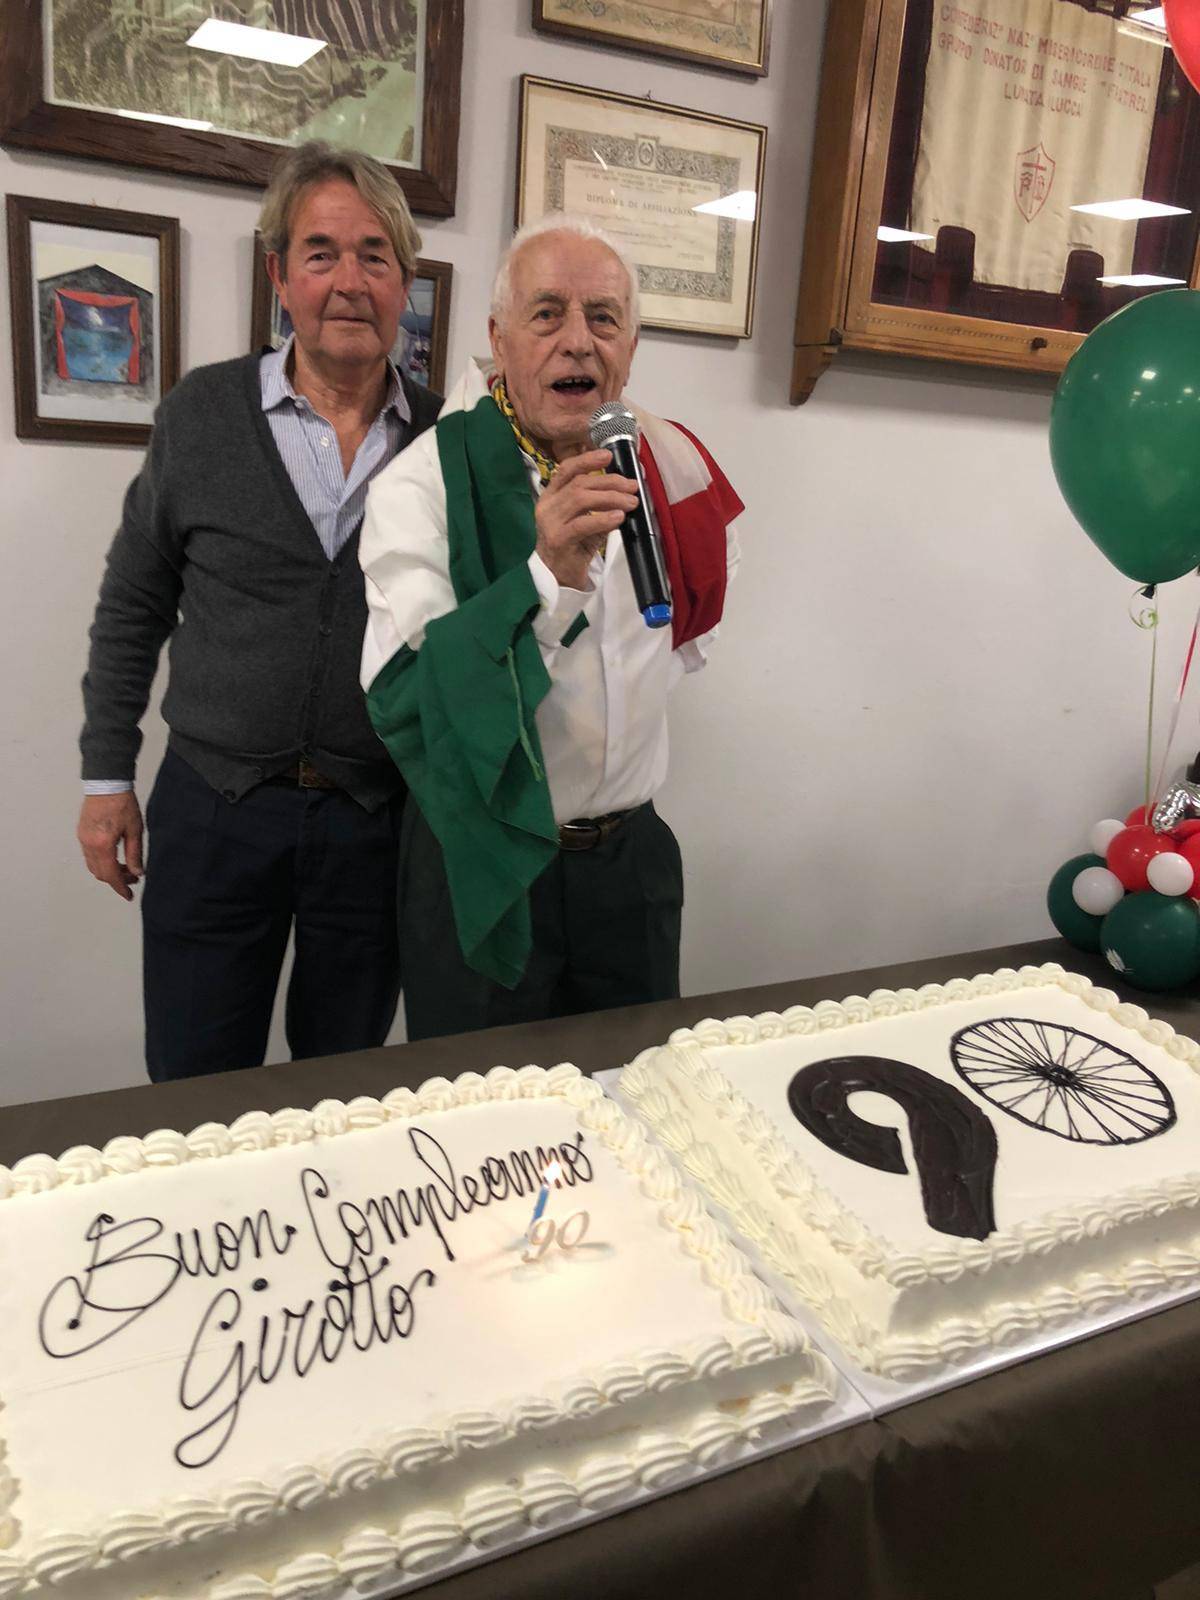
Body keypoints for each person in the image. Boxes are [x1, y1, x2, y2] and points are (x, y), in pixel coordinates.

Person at [77, 141, 442, 1082]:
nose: (350, 282)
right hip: (213, 812)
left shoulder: (449, 440)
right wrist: (105, 779)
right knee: (196, 1086)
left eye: (375, 255)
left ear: (404, 280)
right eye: (322, 254)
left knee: (344, 1089)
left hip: (375, 820)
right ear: (280, 276)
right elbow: (133, 602)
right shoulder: (202, 413)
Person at [359, 213, 743, 1040]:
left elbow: (690, 635)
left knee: (638, 1092)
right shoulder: (422, 486)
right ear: (498, 339)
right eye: (547, 314)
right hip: (488, 861)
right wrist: (546, 577)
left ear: (632, 345)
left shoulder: (672, 466)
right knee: (483, 1110)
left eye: (604, 317)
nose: (578, 341)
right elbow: (420, 704)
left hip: (630, 866)